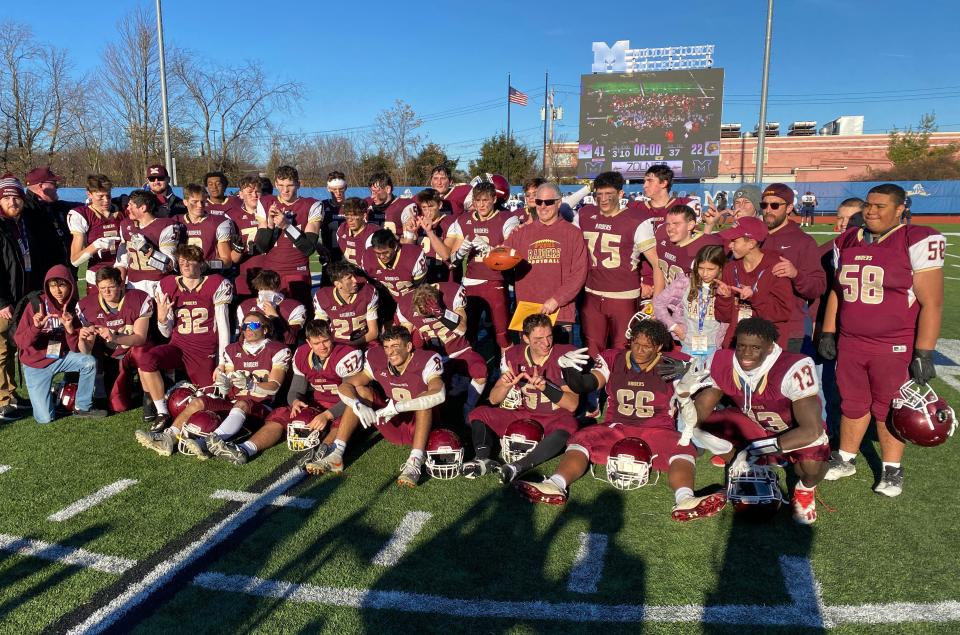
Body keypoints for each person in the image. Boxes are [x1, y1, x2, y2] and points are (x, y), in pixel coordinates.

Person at [514, 320, 724, 522]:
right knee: (582, 438)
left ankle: (685, 499)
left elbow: (711, 389)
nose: (640, 350)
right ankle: (555, 484)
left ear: (659, 346)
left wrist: (690, 378)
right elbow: (586, 384)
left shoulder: (675, 364)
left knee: (683, 449)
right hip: (616, 426)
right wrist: (569, 372)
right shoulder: (613, 358)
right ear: (630, 340)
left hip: (657, 428)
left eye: (646, 346)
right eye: (636, 344)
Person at [819, 184, 945, 497]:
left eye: (880, 206)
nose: (872, 211)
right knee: (852, 403)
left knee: (889, 407)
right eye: (869, 205)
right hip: (851, 340)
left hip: (893, 344)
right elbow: (839, 291)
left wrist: (924, 351)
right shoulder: (847, 239)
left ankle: (892, 469)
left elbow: (932, 302)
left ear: (901, 208)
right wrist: (829, 331)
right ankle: (846, 458)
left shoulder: (914, 239)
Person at [680, 317, 829, 524]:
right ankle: (751, 464)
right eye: (741, 346)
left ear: (770, 347)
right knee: (700, 430)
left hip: (794, 432)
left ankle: (805, 490)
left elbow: (811, 430)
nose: (746, 353)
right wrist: (683, 396)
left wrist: (757, 448)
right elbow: (700, 414)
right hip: (756, 424)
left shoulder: (793, 367)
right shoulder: (724, 361)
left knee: (811, 467)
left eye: (755, 347)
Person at [136, 309, 290, 459]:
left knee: (242, 403)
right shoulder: (232, 349)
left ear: (265, 329)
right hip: (234, 404)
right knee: (199, 401)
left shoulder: (278, 350)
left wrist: (251, 385)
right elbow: (229, 385)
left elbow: (274, 387)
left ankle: (210, 442)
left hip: (260, 407)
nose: (248, 329)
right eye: (244, 326)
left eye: (254, 325)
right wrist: (224, 384)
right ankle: (168, 437)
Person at [305, 325, 445, 488]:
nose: (390, 352)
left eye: (395, 346)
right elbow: (346, 386)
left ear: (408, 346)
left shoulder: (426, 360)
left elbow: (438, 394)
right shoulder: (377, 357)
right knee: (361, 391)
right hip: (393, 422)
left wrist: (398, 407)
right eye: (386, 347)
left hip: (420, 425)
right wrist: (356, 404)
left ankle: (414, 462)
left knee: (424, 400)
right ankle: (337, 454)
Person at [213, 319, 366, 465]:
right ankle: (246, 449)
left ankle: (324, 451)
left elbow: (351, 395)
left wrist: (327, 415)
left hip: (346, 404)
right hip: (318, 402)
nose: (322, 347)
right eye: (316, 343)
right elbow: (295, 391)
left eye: (325, 341)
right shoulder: (302, 354)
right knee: (281, 415)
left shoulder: (347, 354)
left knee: (341, 422)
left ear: (331, 337)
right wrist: (295, 401)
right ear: (308, 342)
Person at [466, 314, 580, 482]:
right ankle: (482, 458)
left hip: (554, 417)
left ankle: (518, 466)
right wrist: (505, 385)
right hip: (525, 412)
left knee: (569, 425)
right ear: (525, 338)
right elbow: (494, 399)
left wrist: (546, 387)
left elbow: (572, 405)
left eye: (549, 336)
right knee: (479, 413)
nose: (546, 343)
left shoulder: (565, 356)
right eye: (538, 339)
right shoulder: (514, 355)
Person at [137, 245, 232, 430]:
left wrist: (222, 362)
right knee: (146, 360)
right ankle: (162, 412)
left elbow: (223, 326)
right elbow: (166, 332)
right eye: (182, 262)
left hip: (205, 351)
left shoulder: (216, 283)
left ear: (201, 264)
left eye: (191, 261)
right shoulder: (168, 284)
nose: (186, 265)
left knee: (209, 399)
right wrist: (162, 318)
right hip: (178, 346)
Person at [575, 170, 663, 358]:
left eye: (609, 194)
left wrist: (657, 302)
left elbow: (657, 264)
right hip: (591, 294)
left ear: (621, 194)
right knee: (592, 350)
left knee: (622, 351)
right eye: (599, 194)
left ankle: (616, 388)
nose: (603, 199)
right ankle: (595, 387)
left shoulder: (636, 220)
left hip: (623, 297)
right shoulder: (584, 214)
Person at [14, 265, 107, 422]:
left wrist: (70, 330)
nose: (57, 291)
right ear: (47, 287)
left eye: (62, 285)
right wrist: (36, 327)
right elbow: (21, 343)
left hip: (60, 358)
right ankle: (55, 391)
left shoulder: (74, 307)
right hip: (36, 365)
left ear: (70, 285)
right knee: (45, 419)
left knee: (89, 362)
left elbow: (76, 349)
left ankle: (82, 406)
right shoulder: (36, 306)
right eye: (52, 286)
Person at [502, 182, 589, 343]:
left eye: (548, 202)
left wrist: (557, 299)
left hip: (559, 311)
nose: (543, 206)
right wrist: (490, 252)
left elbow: (579, 273)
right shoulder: (521, 233)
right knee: (530, 363)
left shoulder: (573, 233)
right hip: (528, 311)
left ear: (559, 202)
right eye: (538, 201)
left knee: (559, 363)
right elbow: (501, 258)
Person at [443, 181, 520, 351]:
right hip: (470, 282)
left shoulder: (507, 219)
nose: (481, 205)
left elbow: (513, 254)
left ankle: (507, 369)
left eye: (485, 200)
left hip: (495, 281)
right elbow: (451, 261)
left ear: (494, 199)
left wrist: (492, 251)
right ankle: (472, 370)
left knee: (501, 334)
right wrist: (459, 253)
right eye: (478, 201)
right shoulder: (464, 220)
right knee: (468, 332)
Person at [397, 282, 487, 417]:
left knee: (480, 371)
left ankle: (468, 407)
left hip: (460, 350)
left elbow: (462, 329)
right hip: (433, 357)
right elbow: (403, 339)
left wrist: (441, 313)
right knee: (440, 406)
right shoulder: (404, 305)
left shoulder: (452, 292)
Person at [76, 266, 154, 413]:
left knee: (141, 351)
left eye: (111, 287)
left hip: (133, 351)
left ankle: (149, 396)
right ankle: (125, 385)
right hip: (111, 358)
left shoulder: (138, 298)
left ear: (121, 284)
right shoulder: (87, 306)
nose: (106, 292)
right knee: (119, 406)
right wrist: (83, 342)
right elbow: (87, 350)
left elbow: (140, 338)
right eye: (102, 288)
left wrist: (115, 337)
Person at [759, 183, 826, 353]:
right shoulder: (754, 238)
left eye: (775, 205)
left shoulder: (803, 242)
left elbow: (818, 287)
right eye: (764, 205)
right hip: (754, 327)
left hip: (789, 329)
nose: (768, 210)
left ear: (789, 208)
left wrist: (796, 274)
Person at [714, 217, 794, 350]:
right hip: (736, 343)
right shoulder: (730, 268)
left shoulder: (776, 268)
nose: (730, 245)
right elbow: (724, 317)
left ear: (751, 243)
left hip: (764, 347)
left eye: (734, 241)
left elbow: (783, 312)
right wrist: (725, 298)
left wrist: (755, 297)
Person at [253, 165, 322, 308]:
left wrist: (287, 226)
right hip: (270, 272)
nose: (285, 190)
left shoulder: (312, 204)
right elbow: (261, 247)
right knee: (268, 319)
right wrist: (270, 226)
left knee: (299, 317)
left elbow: (309, 248)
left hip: (297, 271)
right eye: (281, 185)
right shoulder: (265, 202)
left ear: (298, 184)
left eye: (290, 185)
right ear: (276, 184)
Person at [0, 175, 38, 419]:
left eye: (17, 197)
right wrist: (1, 302)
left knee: (12, 346)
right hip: (5, 299)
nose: (13, 201)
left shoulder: (22, 223)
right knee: (1, 348)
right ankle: (2, 400)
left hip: (20, 295)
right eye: (7, 197)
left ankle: (11, 394)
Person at [654, 244, 728, 370]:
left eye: (710, 269)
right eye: (701, 268)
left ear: (720, 268)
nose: (705, 273)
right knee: (685, 383)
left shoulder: (726, 288)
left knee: (709, 386)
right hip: (688, 344)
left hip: (714, 347)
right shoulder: (684, 283)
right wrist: (674, 327)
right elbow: (658, 303)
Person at [115, 190, 181, 296]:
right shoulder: (125, 225)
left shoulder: (166, 226)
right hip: (133, 284)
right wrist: (120, 283)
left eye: (131, 205)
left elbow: (169, 266)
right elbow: (122, 261)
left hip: (159, 283)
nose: (128, 208)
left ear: (143, 208)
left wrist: (146, 249)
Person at [67, 174, 126, 293]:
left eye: (108, 196)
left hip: (122, 273)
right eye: (100, 197)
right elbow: (75, 260)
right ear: (89, 194)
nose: (106, 200)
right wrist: (95, 246)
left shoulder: (122, 211)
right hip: (98, 277)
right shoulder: (82, 214)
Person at [655, 203, 723, 287]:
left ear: (690, 225)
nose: (670, 228)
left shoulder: (699, 248)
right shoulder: (662, 238)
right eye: (668, 224)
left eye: (676, 224)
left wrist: (709, 226)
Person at [314, 260, 379, 347]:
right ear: (338, 284)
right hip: (336, 344)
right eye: (349, 278)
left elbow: (373, 332)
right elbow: (319, 330)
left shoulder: (368, 292)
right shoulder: (323, 296)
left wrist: (350, 345)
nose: (355, 280)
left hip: (364, 341)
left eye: (354, 276)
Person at [23, 166, 75, 273]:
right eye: (54, 183)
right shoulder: (25, 210)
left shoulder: (58, 207)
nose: (57, 188)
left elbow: (89, 207)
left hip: (64, 274)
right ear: (42, 186)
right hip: (40, 279)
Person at [237, 269, 307, 347]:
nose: (265, 293)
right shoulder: (245, 306)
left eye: (269, 289)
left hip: (281, 351)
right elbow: (243, 338)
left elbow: (289, 340)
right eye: (262, 289)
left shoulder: (295, 307)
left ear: (278, 288)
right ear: (257, 288)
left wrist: (274, 317)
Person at [400, 188, 457, 282]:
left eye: (431, 206)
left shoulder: (450, 222)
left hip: (443, 276)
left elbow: (446, 255)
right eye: (424, 207)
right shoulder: (418, 222)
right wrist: (411, 233)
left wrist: (429, 232)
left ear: (440, 205)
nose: (428, 211)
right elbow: (408, 253)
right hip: (422, 277)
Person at [176, 183, 236, 273]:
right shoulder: (175, 222)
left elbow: (227, 261)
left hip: (209, 276)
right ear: (185, 202)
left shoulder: (219, 222)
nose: (200, 205)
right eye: (195, 201)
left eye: (202, 201)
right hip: (183, 276)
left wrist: (207, 265)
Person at [227, 174, 267, 299]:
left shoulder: (271, 211)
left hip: (269, 269)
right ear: (240, 194)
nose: (254, 195)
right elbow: (230, 255)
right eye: (249, 192)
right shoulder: (231, 216)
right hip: (245, 270)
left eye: (257, 192)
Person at [361, 228, 427, 300]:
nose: (382, 257)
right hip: (387, 299)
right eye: (378, 253)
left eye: (385, 252)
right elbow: (371, 287)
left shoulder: (413, 256)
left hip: (412, 299)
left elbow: (421, 288)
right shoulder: (368, 258)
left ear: (395, 246)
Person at [336, 197, 379, 268]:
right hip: (352, 273)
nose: (350, 220)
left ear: (364, 216)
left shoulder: (374, 232)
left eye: (354, 215)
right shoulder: (342, 229)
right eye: (347, 216)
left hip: (372, 275)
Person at [320, 170, 348, 255]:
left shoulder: (352, 206)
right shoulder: (322, 206)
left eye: (341, 189)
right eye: (334, 189)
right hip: (329, 255)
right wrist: (317, 245)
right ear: (328, 189)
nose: (338, 193)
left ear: (346, 187)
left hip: (349, 256)